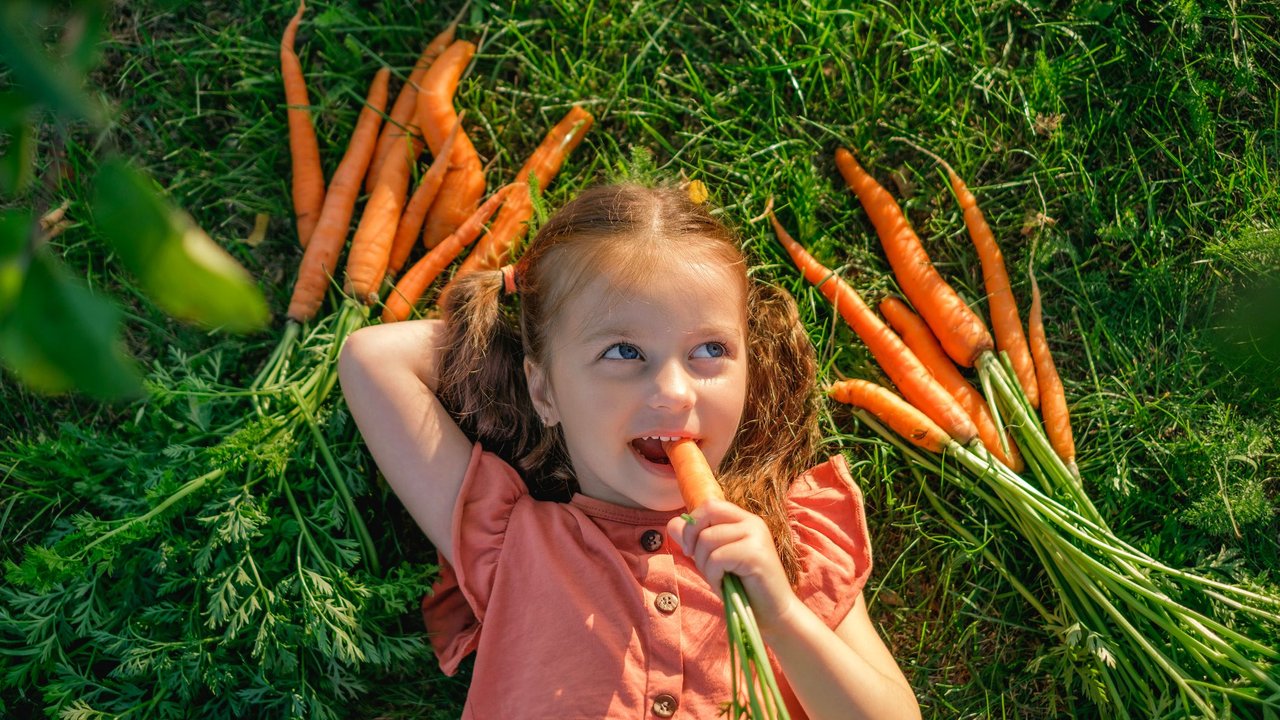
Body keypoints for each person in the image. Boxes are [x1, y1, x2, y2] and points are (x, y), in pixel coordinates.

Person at [338, 183, 920, 719]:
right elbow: (372, 360)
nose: (674, 392)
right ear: (543, 392)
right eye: (623, 352)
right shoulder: (513, 542)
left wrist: (784, 617)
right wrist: (529, 318)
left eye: (710, 350)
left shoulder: (789, 544)